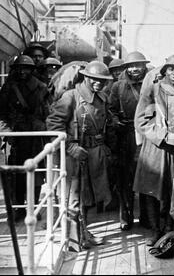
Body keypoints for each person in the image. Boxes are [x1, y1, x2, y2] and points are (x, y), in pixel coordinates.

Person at [46, 61, 116, 250]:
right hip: (75, 154)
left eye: (103, 80)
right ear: (86, 77)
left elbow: (105, 122)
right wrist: (69, 146)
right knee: (73, 197)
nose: (98, 83)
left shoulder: (102, 98)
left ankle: (83, 231)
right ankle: (73, 239)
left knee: (89, 197)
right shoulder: (71, 96)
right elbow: (53, 124)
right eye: (94, 79)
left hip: (95, 153)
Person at [133, 55, 174, 247]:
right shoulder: (153, 90)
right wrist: (167, 137)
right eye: (171, 69)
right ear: (164, 71)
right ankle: (155, 230)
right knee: (153, 190)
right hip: (156, 148)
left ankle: (170, 229)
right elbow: (141, 121)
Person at [0, 55, 50, 221]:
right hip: (14, 137)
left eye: (26, 68)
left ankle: (33, 207)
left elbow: (47, 113)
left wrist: (41, 127)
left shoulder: (41, 88)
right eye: (20, 68)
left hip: (34, 137)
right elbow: (1, 114)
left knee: (35, 173)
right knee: (14, 174)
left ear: (32, 70)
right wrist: (6, 132)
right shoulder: (8, 89)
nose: (23, 72)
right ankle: (16, 208)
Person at [109, 51, 151, 230]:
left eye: (138, 65)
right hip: (125, 135)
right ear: (126, 68)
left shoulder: (151, 83)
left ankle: (146, 216)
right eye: (131, 66)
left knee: (146, 174)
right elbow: (110, 108)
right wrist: (114, 120)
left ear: (144, 66)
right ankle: (125, 215)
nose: (135, 69)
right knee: (124, 177)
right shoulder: (118, 86)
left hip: (145, 133)